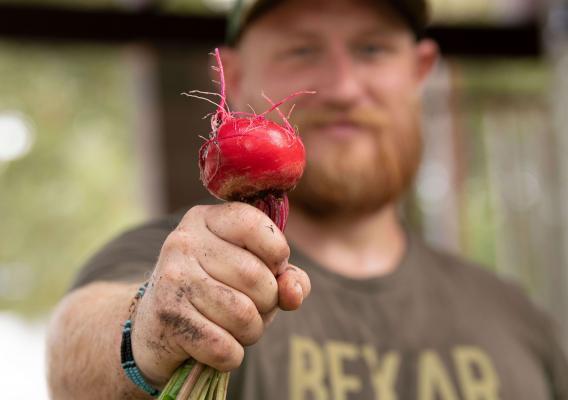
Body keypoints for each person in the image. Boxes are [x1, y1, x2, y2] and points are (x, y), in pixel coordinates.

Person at [47, 0, 568, 399]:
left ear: (420, 70)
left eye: (372, 49)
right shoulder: (176, 259)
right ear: (235, 73)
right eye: (302, 50)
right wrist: (149, 328)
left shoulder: (519, 318)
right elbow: (76, 343)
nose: (343, 87)